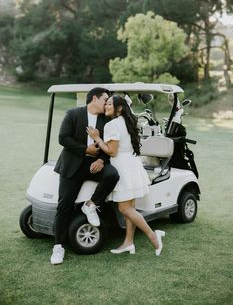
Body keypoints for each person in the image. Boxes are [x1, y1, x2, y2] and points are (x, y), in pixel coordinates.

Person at [87, 95, 166, 256]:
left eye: (110, 104)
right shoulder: (128, 122)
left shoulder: (112, 125)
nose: (106, 106)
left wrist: (97, 138)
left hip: (123, 168)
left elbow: (112, 151)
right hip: (133, 166)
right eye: (106, 103)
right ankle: (128, 242)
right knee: (131, 208)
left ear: (120, 107)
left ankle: (153, 235)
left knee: (124, 208)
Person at [50, 88, 119, 265]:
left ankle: (91, 205)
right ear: (94, 98)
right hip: (73, 164)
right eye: (105, 99)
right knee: (64, 206)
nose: (107, 103)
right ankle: (58, 247)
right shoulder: (73, 114)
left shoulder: (107, 120)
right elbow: (63, 138)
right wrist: (85, 149)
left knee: (112, 175)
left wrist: (102, 160)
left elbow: (108, 145)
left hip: (94, 165)